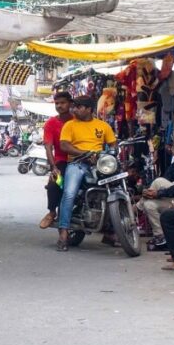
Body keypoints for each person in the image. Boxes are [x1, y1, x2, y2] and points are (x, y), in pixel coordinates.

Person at [56, 95, 117, 251]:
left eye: (78, 107)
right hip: (77, 164)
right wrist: (85, 153)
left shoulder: (103, 126)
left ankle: (111, 230)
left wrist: (111, 153)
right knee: (69, 193)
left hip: (99, 164)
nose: (74, 109)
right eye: (74, 106)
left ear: (89, 109)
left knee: (117, 187)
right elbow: (64, 145)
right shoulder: (69, 125)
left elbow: (113, 144)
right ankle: (63, 232)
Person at [139, 141, 174, 249]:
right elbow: (166, 184)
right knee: (149, 204)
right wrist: (151, 192)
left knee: (158, 181)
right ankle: (161, 237)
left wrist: (158, 193)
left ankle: (137, 208)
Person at [39, 91, 72, 229]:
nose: (59, 106)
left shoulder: (78, 120)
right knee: (54, 183)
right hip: (61, 161)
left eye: (63, 103)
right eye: (57, 103)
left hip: (82, 160)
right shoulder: (51, 123)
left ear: (70, 103)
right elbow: (48, 147)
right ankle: (52, 212)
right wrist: (54, 167)